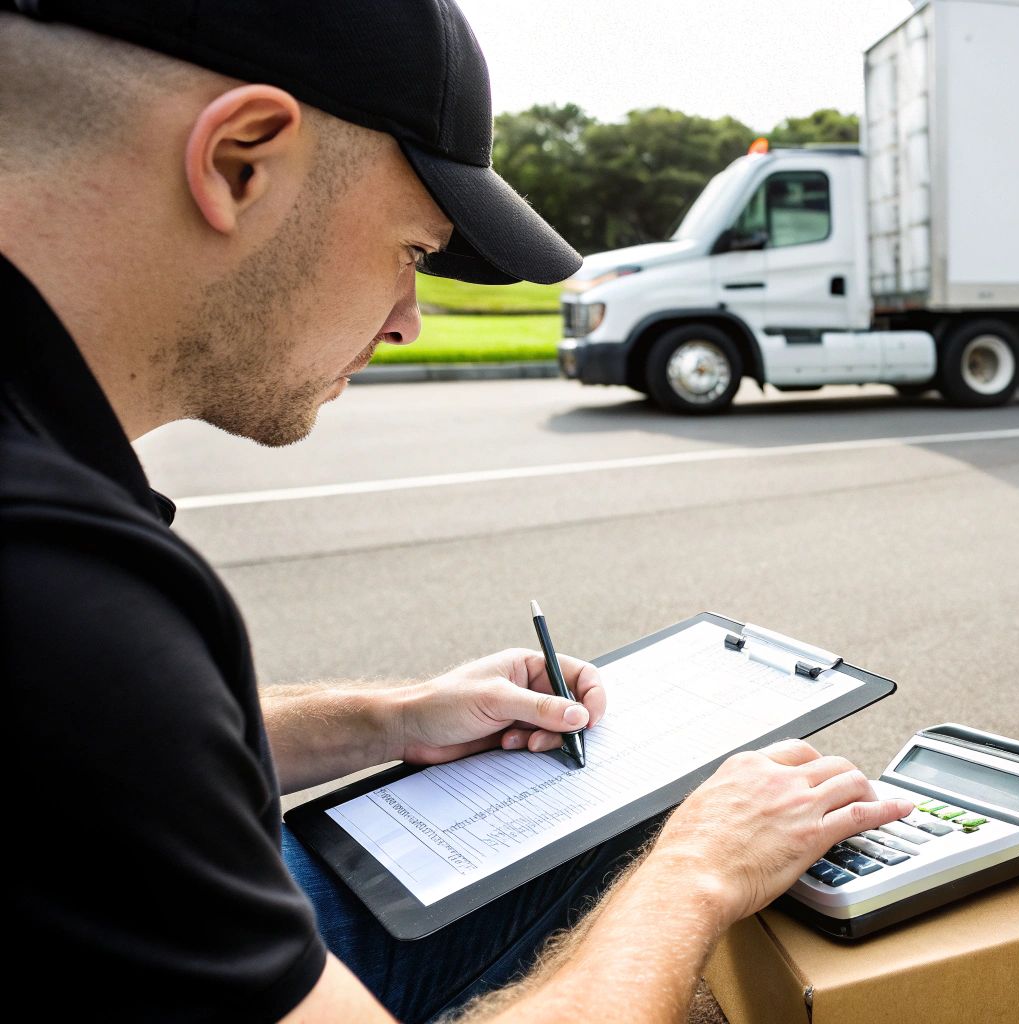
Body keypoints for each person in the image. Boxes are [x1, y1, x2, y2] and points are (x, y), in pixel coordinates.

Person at [0, 2, 915, 1021]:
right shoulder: (55, 591)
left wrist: (393, 719)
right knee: (663, 829)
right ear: (238, 164)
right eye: (414, 249)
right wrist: (691, 874)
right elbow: (90, 703)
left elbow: (116, 756)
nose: (406, 319)